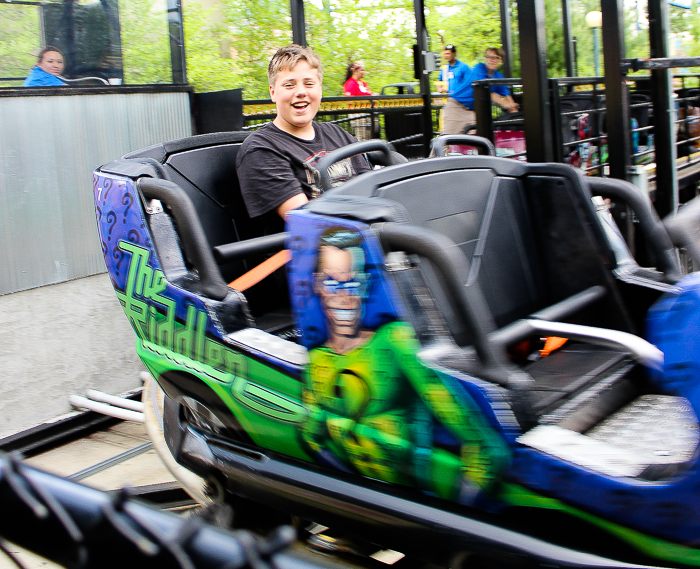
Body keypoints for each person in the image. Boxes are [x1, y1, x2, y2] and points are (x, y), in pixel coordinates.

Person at [301, 227, 510, 504]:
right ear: (317, 284)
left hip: (416, 502)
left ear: (364, 284)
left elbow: (485, 446)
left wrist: (453, 517)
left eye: (351, 283)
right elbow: (310, 436)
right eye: (332, 282)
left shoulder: (393, 342)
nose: (343, 295)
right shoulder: (317, 361)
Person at [236, 45, 371, 235]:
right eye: (289, 85)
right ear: (273, 92)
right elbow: (308, 223)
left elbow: (372, 188)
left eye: (309, 83)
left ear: (320, 89)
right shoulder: (261, 148)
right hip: (310, 253)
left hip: (363, 233)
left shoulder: (337, 134)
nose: (301, 92)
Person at [462, 48, 519, 115]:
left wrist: (514, 111)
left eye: (496, 58)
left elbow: (506, 95)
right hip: (460, 106)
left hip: (475, 109)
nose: (492, 60)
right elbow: (487, 92)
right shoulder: (479, 68)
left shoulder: (498, 75)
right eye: (489, 57)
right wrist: (506, 104)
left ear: (501, 61)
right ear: (485, 59)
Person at [436, 44, 473, 134]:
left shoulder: (463, 67)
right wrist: (440, 89)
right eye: (445, 54)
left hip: (461, 102)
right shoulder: (444, 68)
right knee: (446, 125)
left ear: (454, 54)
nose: (446, 56)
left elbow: (469, 83)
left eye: (448, 53)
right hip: (448, 101)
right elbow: (438, 82)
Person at [343, 61, 374, 140]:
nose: (363, 72)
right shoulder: (350, 83)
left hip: (368, 113)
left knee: (369, 137)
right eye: (362, 70)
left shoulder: (363, 83)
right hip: (357, 114)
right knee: (361, 137)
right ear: (355, 71)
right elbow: (350, 100)